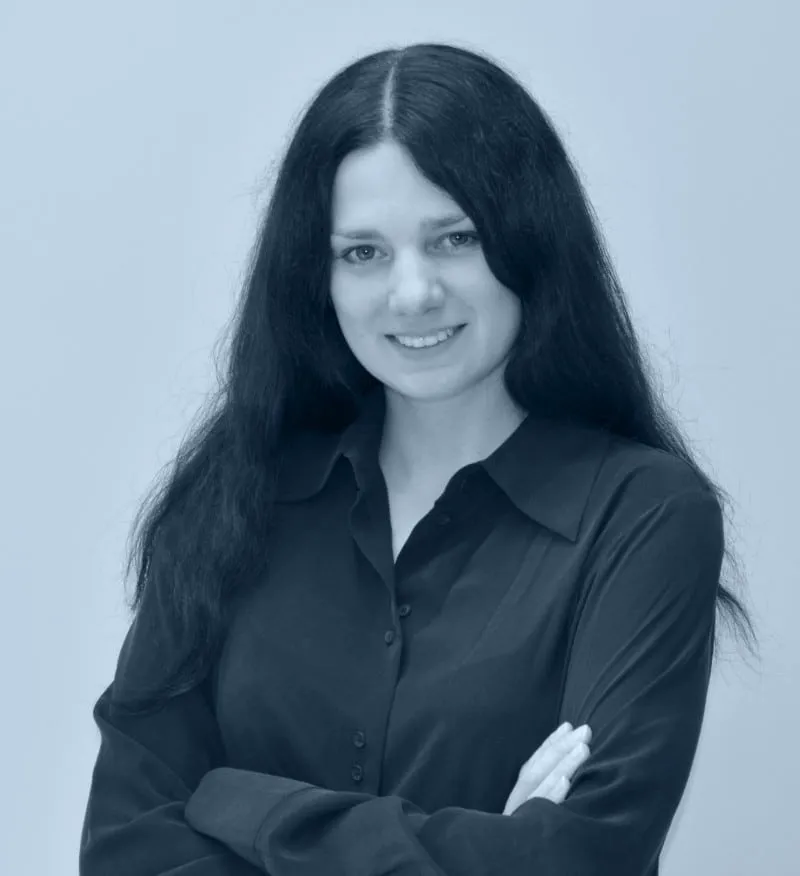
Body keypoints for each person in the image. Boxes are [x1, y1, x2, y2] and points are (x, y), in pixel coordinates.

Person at [78, 42, 758, 875]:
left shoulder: (643, 516)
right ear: (318, 276)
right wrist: (488, 844)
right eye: (363, 252)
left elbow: (582, 857)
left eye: (454, 239)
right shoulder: (230, 498)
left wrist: (238, 806)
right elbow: (124, 849)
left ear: (529, 242)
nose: (413, 293)